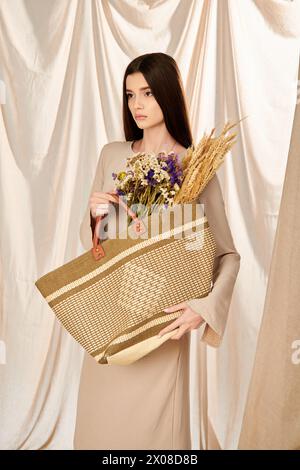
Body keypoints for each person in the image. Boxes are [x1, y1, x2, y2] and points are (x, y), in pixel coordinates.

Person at [74, 52, 241, 450]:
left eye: (148, 93)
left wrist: (203, 308)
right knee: (100, 430)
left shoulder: (194, 165)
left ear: (167, 93)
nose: (137, 105)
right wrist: (97, 218)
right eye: (131, 94)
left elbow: (226, 254)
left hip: (162, 328)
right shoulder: (112, 154)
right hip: (111, 318)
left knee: (155, 439)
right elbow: (92, 245)